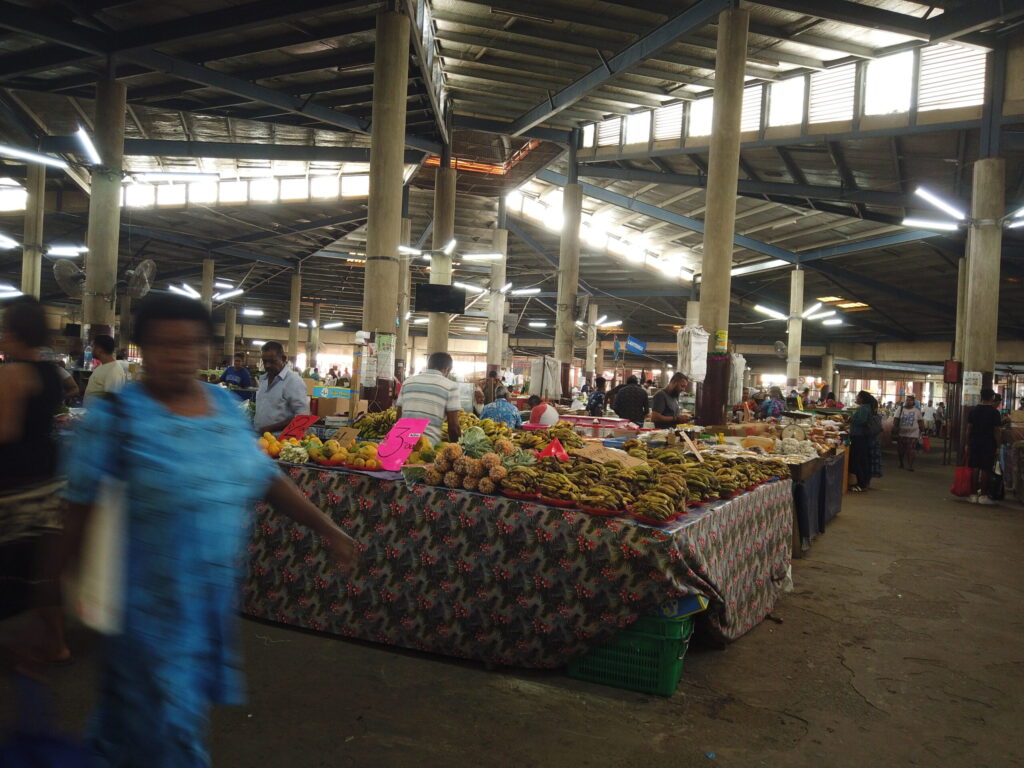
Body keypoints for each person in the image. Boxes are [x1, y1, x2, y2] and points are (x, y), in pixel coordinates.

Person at [57, 294, 357, 765]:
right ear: (142, 349)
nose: (179, 356)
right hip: (143, 612)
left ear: (205, 351)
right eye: (164, 345)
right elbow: (76, 512)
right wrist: (50, 607)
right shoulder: (117, 417)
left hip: (207, 608)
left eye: (190, 345)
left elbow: (263, 477)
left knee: (134, 728)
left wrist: (329, 528)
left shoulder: (220, 405)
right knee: (168, 732)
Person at [0, 297, 69, 665]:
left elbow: (5, 430)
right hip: (48, 477)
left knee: (16, 566)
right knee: (44, 573)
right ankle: (57, 643)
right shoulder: (51, 372)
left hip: (14, 486)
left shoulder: (12, 374)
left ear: (14, 332)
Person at [396, 351, 462, 444]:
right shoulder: (451, 386)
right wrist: (457, 447)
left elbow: (398, 418)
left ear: (428, 365)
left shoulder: (408, 382)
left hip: (402, 443)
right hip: (427, 446)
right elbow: (453, 427)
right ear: (447, 369)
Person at [255, 341, 310, 434]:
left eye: (272, 361)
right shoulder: (263, 380)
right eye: (265, 362)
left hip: (281, 443)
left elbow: (302, 418)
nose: (267, 365)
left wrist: (268, 429)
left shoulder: (293, 381)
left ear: (283, 359)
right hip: (262, 440)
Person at [967, 388, 1003, 505]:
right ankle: (983, 495)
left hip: (975, 442)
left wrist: (967, 443)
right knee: (986, 469)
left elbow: (969, 429)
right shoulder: (994, 413)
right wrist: (998, 446)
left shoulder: (974, 411)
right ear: (992, 397)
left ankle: (973, 494)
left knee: (975, 467)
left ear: (981, 396)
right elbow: (996, 431)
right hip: (988, 443)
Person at [848, 390, 880, 492]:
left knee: (858, 461)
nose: (856, 398)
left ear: (862, 398)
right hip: (862, 437)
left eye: (858, 397)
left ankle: (861, 483)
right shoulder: (867, 408)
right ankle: (863, 482)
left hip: (859, 437)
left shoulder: (863, 408)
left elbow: (861, 421)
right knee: (862, 460)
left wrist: (850, 419)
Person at [83, 333, 127, 406]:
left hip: (98, 416)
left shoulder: (114, 371)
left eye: (93, 347)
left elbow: (112, 402)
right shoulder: (103, 365)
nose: (91, 350)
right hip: (90, 414)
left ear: (100, 350)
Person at [894, 393, 925, 471]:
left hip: (913, 434)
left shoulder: (917, 411)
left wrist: (922, 431)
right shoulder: (900, 409)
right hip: (901, 433)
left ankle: (910, 466)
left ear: (913, 402)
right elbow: (896, 419)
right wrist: (895, 428)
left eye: (910, 400)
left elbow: (920, 422)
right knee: (901, 450)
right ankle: (901, 463)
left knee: (911, 450)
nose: (908, 401)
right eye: (907, 400)